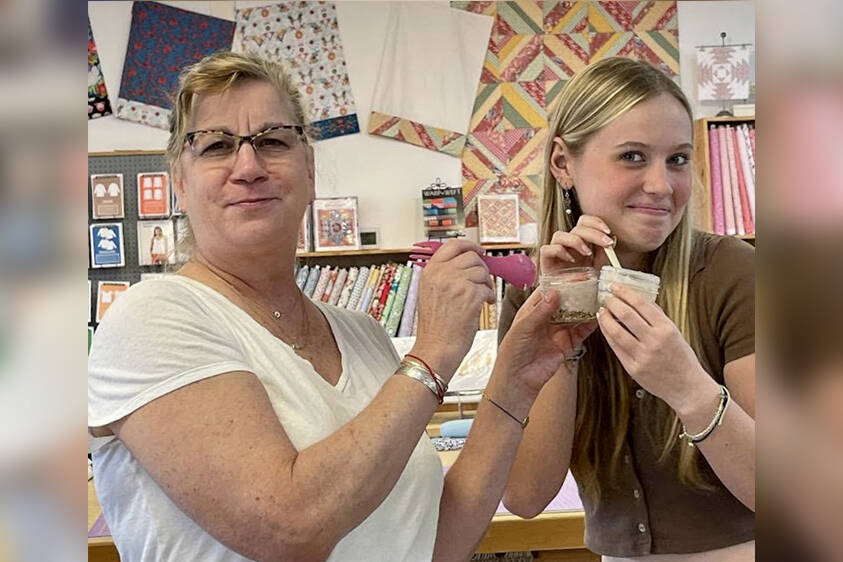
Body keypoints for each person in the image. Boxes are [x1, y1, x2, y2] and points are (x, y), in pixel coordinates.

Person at [87, 51, 585, 562]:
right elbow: (289, 527)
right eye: (216, 145)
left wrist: (517, 379)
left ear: (309, 169)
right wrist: (433, 353)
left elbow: (435, 540)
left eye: (273, 141)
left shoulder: (363, 335)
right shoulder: (152, 319)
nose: (249, 167)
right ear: (179, 182)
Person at [498, 57, 755, 561]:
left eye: (678, 159)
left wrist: (688, 387)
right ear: (561, 163)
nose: (662, 186)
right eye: (633, 156)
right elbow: (525, 497)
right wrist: (563, 336)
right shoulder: (534, 296)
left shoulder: (732, 273)